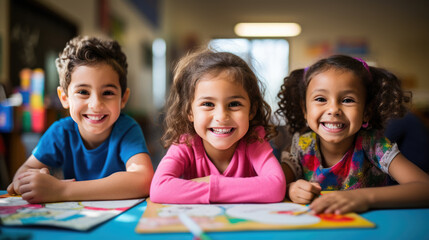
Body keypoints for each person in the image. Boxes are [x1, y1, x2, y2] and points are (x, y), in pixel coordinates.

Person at [7, 36, 154, 203]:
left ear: (123, 98)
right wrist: (28, 181)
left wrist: (62, 190)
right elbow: (22, 173)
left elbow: (144, 180)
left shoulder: (127, 129)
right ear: (64, 97)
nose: (96, 105)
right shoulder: (61, 132)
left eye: (107, 93)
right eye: (83, 92)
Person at [276, 55, 429, 214]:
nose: (334, 109)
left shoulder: (374, 145)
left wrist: (364, 197)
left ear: (366, 112)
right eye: (321, 99)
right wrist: (290, 189)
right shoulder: (299, 147)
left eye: (348, 100)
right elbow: (273, 186)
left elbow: (425, 188)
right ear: (305, 110)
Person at [150, 48, 286, 204]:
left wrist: (209, 182)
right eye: (208, 104)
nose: (221, 117)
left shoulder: (254, 140)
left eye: (234, 104)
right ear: (189, 111)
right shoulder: (185, 144)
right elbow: (159, 189)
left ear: (251, 110)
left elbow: (275, 187)